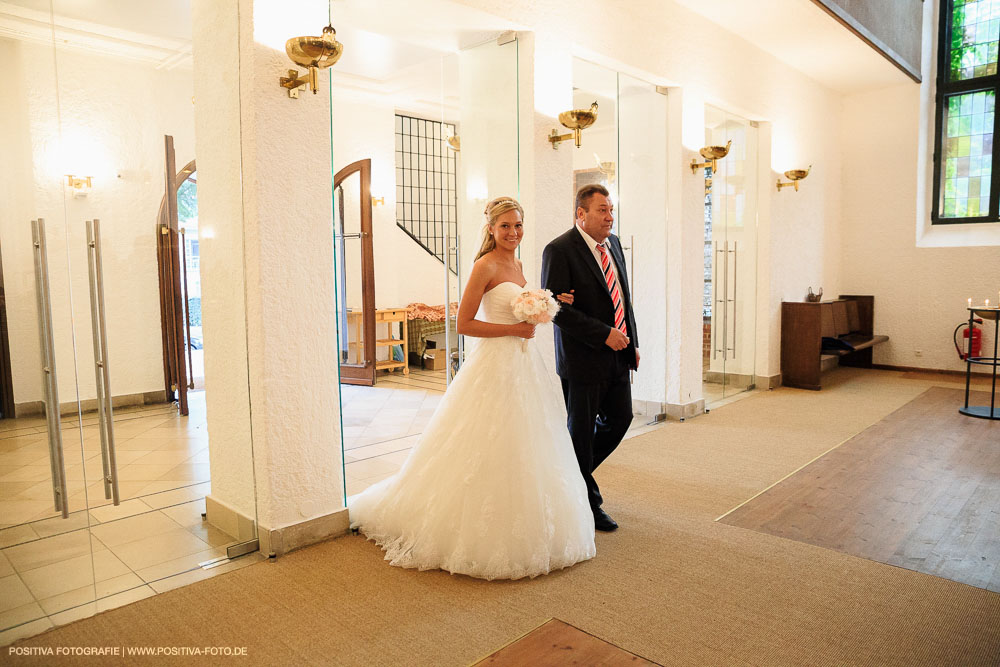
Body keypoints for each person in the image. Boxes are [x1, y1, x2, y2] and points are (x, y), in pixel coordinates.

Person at [348, 196, 596, 580]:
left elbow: (522, 308)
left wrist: (549, 305)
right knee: (486, 441)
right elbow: (463, 323)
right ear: (491, 229)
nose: (513, 233)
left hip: (524, 362)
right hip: (494, 362)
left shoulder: (517, 263)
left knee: (527, 441)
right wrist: (513, 328)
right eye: (505, 227)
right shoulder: (485, 265)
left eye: (518, 226)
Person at [541, 184, 639, 532]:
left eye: (611, 210)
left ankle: (567, 474)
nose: (609, 216)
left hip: (618, 354)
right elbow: (555, 310)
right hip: (583, 358)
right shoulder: (559, 250)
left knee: (621, 418)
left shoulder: (613, 245)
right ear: (580, 214)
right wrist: (603, 334)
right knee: (580, 434)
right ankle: (588, 502)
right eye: (601, 210)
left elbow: (623, 298)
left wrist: (632, 342)